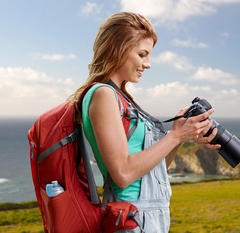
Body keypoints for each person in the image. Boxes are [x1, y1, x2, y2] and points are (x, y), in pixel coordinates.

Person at [68, 12, 220, 232]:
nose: (147, 64)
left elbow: (154, 171)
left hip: (148, 216)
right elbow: (123, 174)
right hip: (133, 217)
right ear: (117, 48)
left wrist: (179, 137)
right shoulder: (103, 95)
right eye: (142, 54)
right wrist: (176, 136)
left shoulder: (121, 97)